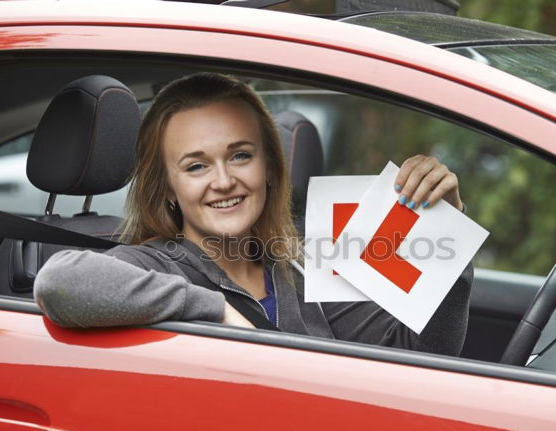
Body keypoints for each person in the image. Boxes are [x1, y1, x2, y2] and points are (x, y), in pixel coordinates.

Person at [34, 73, 473, 356]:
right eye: (196, 165)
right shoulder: (158, 266)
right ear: (168, 187)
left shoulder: (301, 264)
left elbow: (423, 357)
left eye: (240, 155)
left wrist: (447, 232)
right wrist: (216, 310)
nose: (224, 180)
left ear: (269, 168)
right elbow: (59, 283)